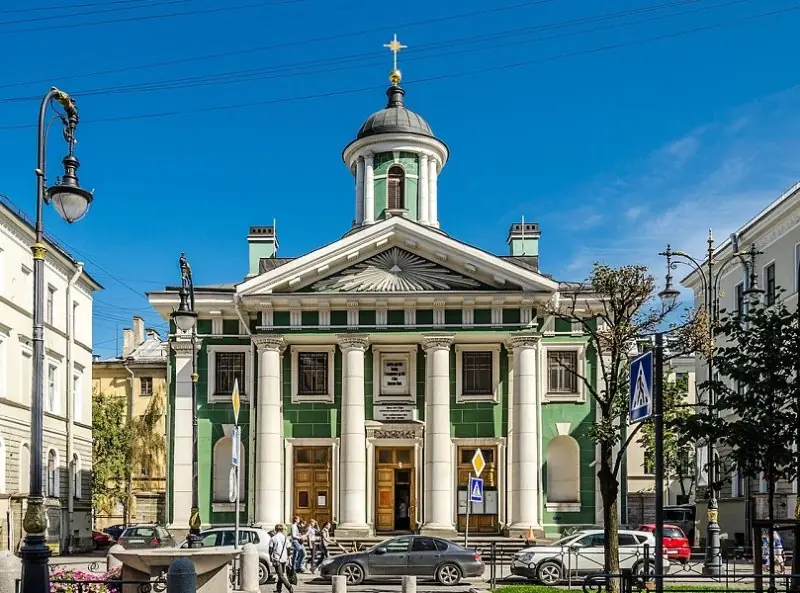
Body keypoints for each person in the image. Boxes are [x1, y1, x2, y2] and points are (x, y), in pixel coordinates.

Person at [269, 524, 293, 593]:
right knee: (281, 574)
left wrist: (270, 557)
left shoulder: (273, 538)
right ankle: (278, 590)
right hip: (284, 558)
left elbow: (270, 549)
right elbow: (289, 549)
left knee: (280, 575)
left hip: (277, 559)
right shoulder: (285, 538)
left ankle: (289, 587)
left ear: (275, 530)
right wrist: (289, 558)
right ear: (282, 530)